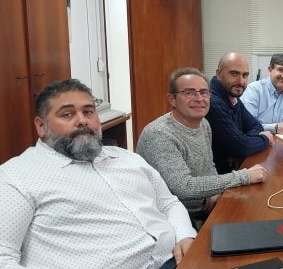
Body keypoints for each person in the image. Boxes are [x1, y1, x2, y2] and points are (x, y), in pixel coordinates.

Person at [0, 79, 196, 269]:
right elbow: (3, 256)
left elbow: (168, 203)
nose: (82, 121)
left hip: (177, 260)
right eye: (67, 114)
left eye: (88, 111)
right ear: (41, 126)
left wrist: (185, 235)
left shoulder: (126, 158)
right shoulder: (17, 177)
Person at [137, 68, 268, 223]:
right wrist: (244, 176)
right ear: (172, 99)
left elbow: (208, 165)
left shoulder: (203, 123)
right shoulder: (159, 134)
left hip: (204, 208)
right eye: (189, 92)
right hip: (174, 218)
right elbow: (184, 187)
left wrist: (215, 192)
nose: (199, 98)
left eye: (204, 92)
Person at [206, 52, 274, 174]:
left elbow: (255, 125)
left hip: (234, 169)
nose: (241, 81)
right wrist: (265, 138)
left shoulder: (231, 96)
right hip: (219, 177)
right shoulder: (213, 102)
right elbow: (242, 147)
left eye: (245, 75)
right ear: (218, 74)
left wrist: (243, 140)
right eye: (234, 74)